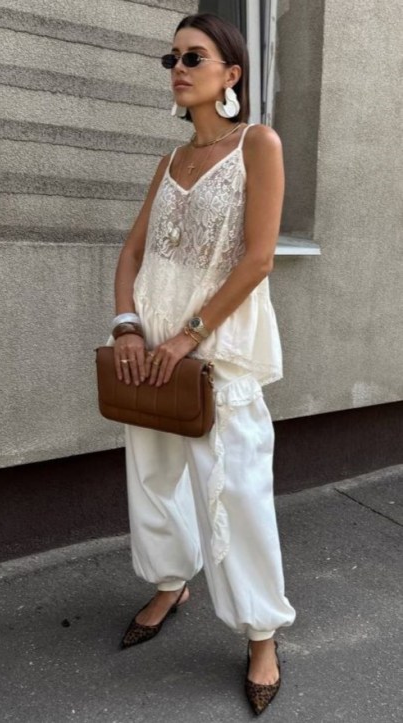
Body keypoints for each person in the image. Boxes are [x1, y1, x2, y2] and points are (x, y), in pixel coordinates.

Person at [107, 12, 296, 716]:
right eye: (172, 58)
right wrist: (128, 327)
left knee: (236, 490)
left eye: (194, 56)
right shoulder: (168, 163)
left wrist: (187, 337)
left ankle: (262, 633)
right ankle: (170, 582)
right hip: (149, 348)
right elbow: (133, 252)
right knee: (154, 475)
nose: (178, 69)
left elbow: (259, 259)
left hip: (213, 348)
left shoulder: (258, 144)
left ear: (231, 74)